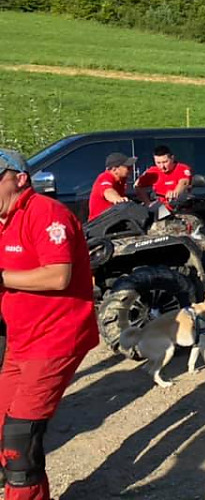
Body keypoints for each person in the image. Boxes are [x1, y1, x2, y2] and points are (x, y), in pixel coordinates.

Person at [0, 148, 99, 500]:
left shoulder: (46, 213)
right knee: (2, 427)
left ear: (19, 179)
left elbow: (59, 276)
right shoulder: (4, 221)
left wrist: (1, 277)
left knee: (19, 439)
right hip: (20, 340)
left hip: (55, 338)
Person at [87, 152, 136, 221]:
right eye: (127, 167)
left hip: (113, 219)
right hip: (100, 223)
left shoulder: (121, 179)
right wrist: (118, 199)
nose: (131, 169)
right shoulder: (105, 177)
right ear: (114, 169)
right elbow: (108, 191)